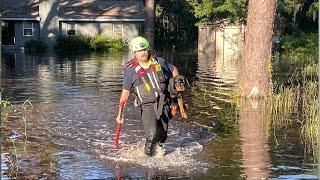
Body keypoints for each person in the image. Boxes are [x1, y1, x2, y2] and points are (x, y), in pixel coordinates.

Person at [115, 36, 179, 156]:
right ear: (134, 53)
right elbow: (125, 93)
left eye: (145, 49)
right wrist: (120, 114)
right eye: (139, 51)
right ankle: (148, 161)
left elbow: (173, 69)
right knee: (152, 135)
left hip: (163, 102)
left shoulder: (159, 62)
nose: (143, 53)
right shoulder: (130, 71)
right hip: (147, 105)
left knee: (162, 136)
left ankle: (158, 154)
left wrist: (176, 87)